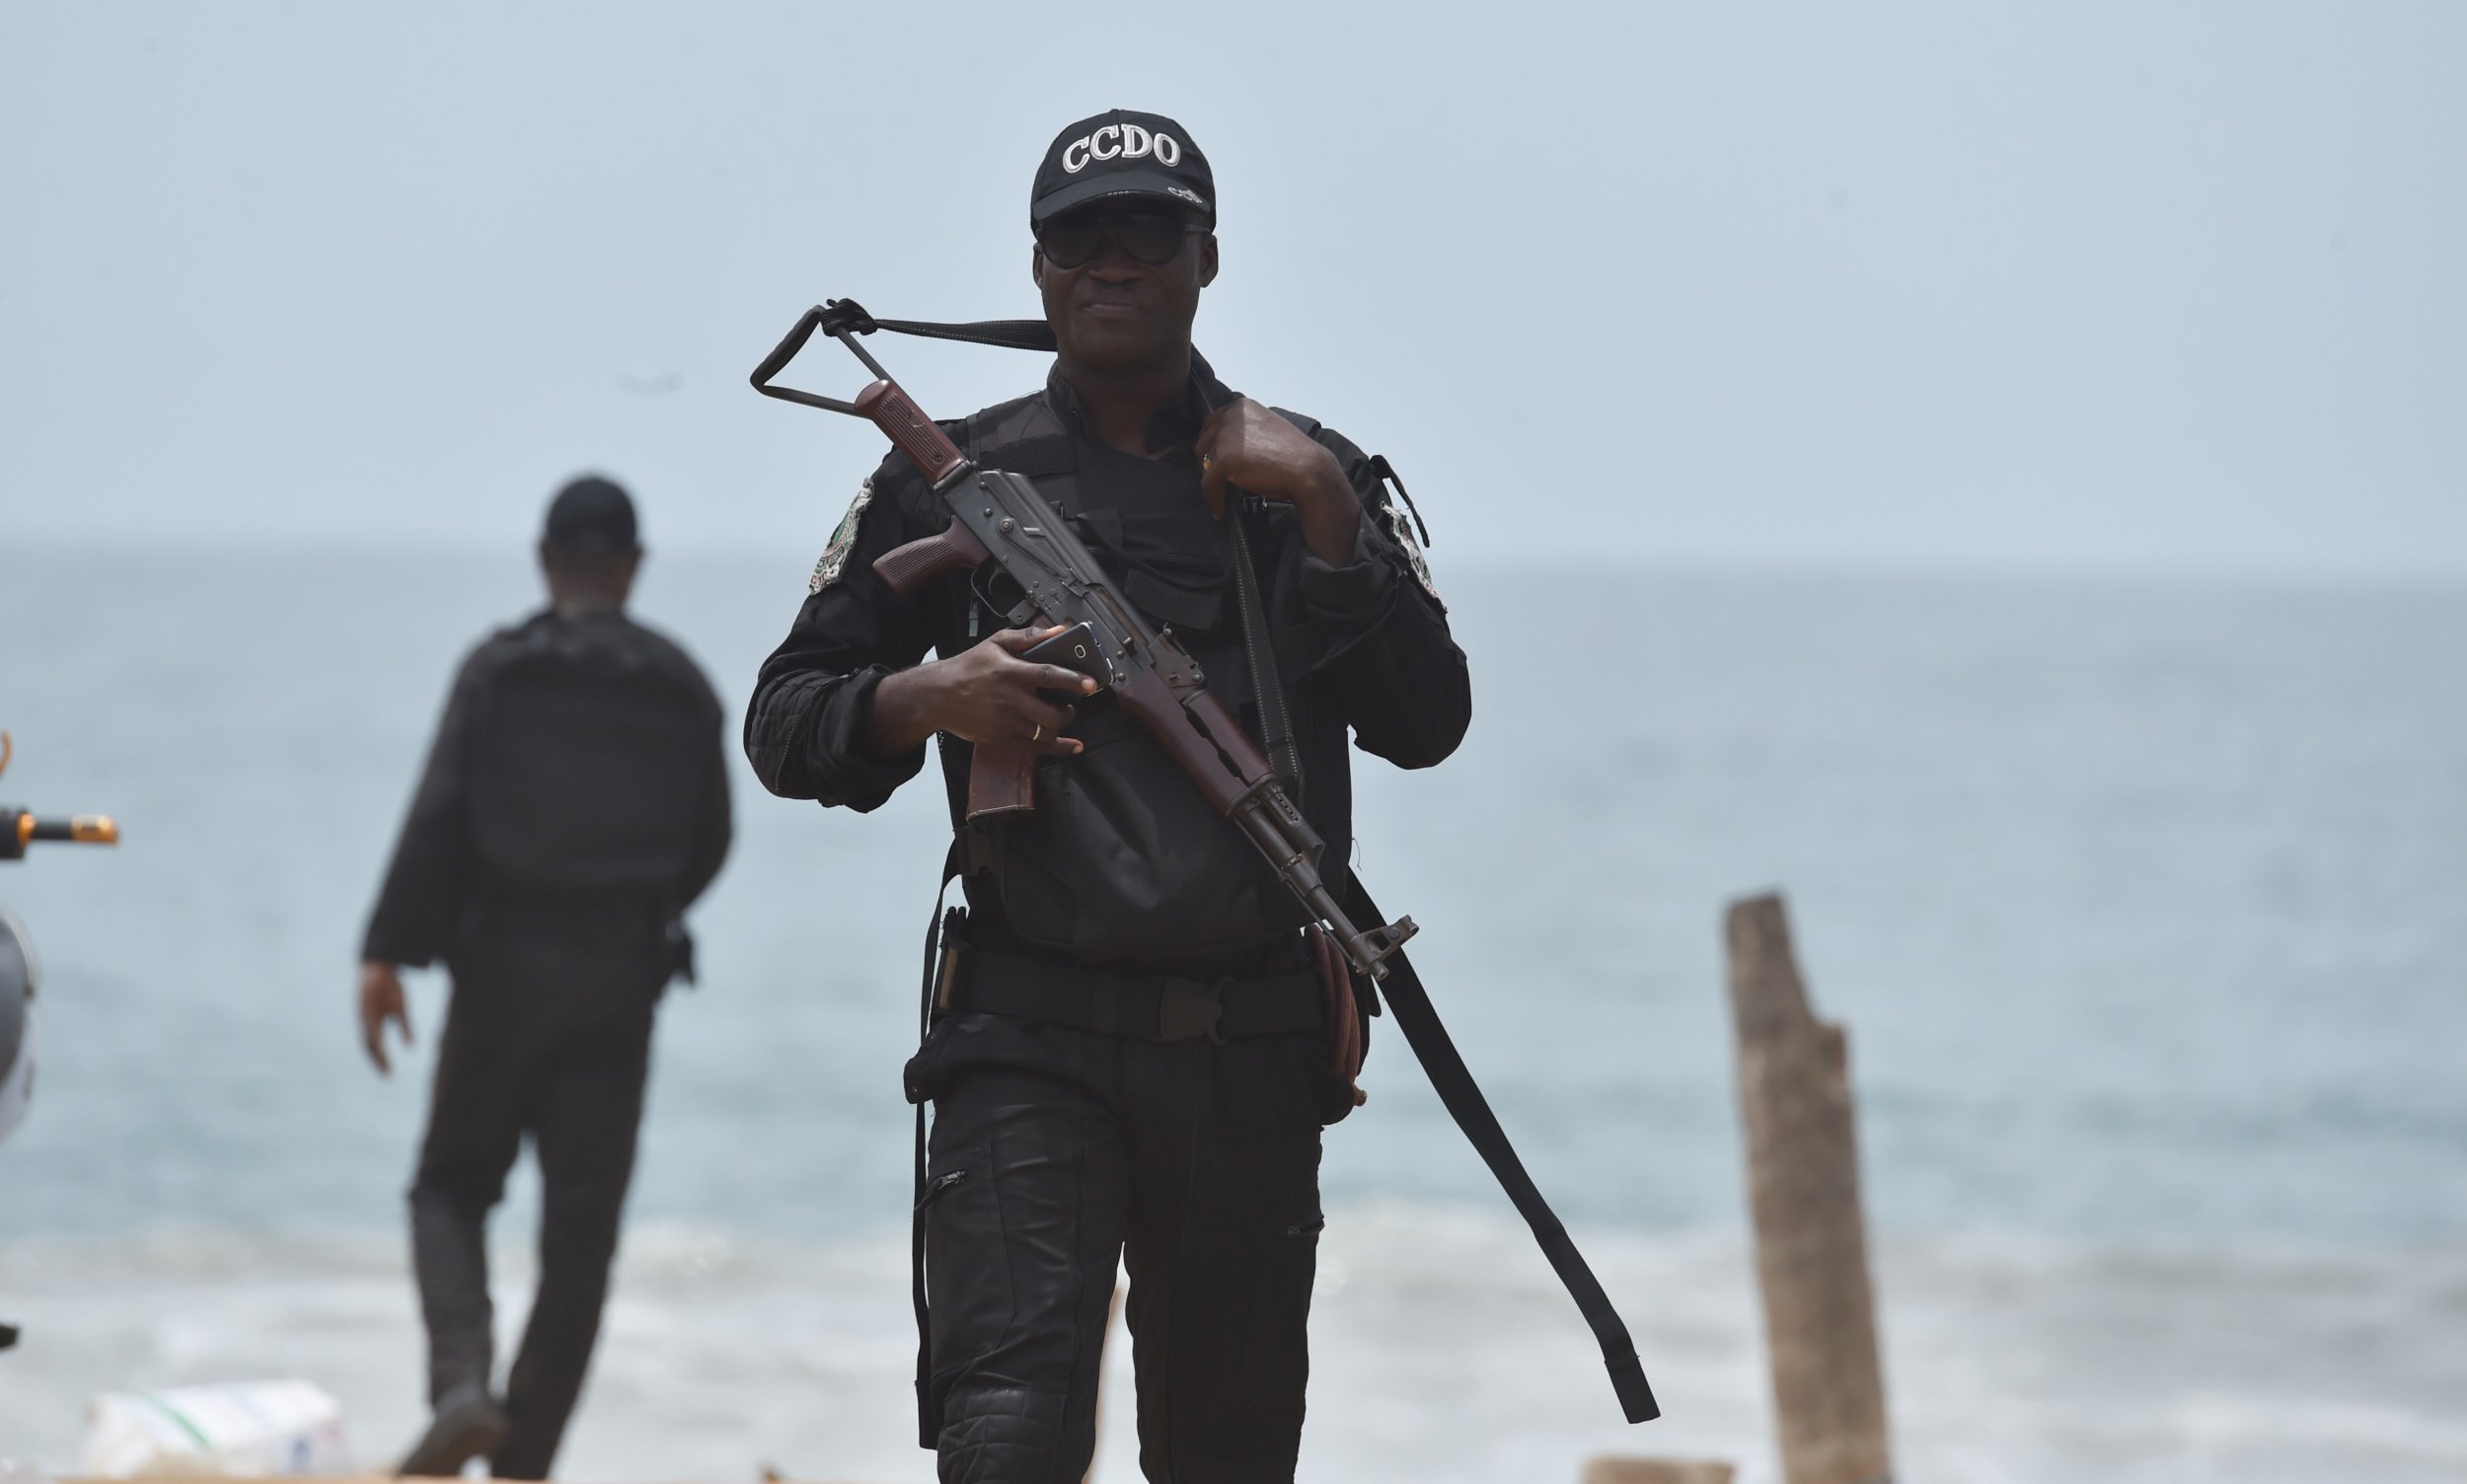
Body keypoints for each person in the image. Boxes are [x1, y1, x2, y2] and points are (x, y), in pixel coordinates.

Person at [746, 111, 1468, 1482]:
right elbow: (785, 725)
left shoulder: (1307, 470)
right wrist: (927, 697)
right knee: (1008, 1446)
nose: (1114, 261)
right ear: (1037, 266)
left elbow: (1428, 725)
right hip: (1028, 1038)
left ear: (1208, 260)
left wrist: (1324, 513)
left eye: (1151, 231)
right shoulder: (944, 474)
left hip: (1248, 1049)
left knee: (1228, 1455)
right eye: (1082, 237)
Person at [358, 477, 732, 1479]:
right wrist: (639, 910)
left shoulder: (500, 670)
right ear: (634, 566)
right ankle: (525, 1458)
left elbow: (439, 814)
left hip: (501, 966)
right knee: (580, 1237)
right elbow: (710, 839)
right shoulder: (679, 683)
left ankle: (463, 1387)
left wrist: (385, 951)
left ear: (543, 556)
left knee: (450, 1185)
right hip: (621, 975)